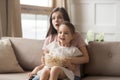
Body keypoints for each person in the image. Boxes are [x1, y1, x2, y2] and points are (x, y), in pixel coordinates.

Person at [28, 7, 89, 80]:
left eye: (59, 17)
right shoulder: (49, 39)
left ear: (65, 19)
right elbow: (46, 62)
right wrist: (37, 68)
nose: (56, 20)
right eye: (53, 18)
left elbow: (86, 58)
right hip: (50, 71)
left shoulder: (76, 36)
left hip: (69, 73)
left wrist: (65, 60)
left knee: (55, 70)